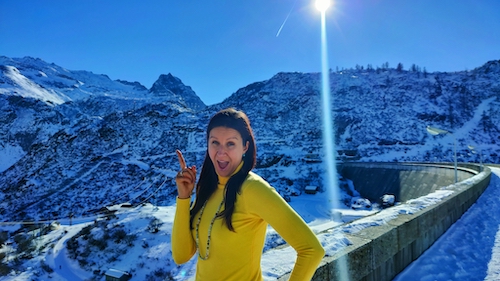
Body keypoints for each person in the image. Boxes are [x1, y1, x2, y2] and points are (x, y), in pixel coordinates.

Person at [172, 108, 324, 281]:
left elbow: (312, 250)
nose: (221, 152)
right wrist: (184, 198)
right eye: (215, 142)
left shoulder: (253, 189)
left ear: (245, 146)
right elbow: (181, 256)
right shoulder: (207, 187)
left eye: (230, 143)